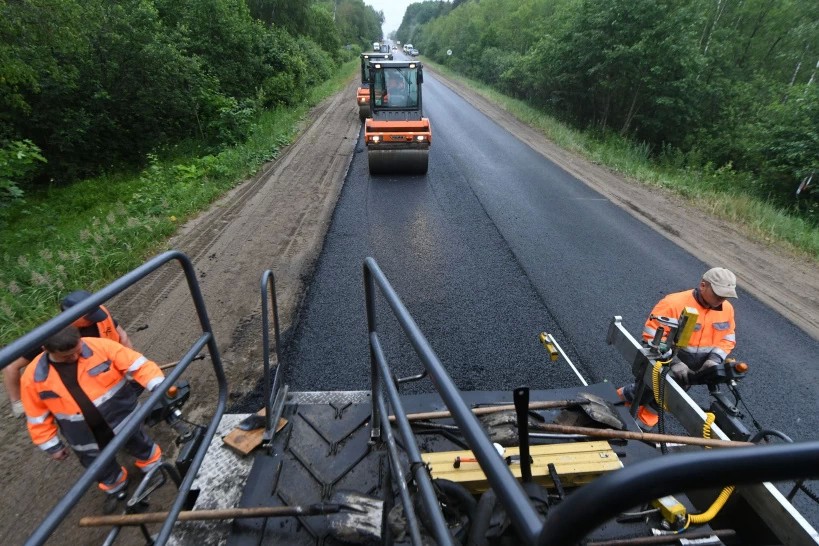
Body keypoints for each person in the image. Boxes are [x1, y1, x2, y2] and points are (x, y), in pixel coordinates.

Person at [20, 325, 165, 512]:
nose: (74, 357)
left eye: (77, 351)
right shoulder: (33, 378)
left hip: (123, 416)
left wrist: (158, 385)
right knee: (97, 463)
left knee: (139, 442)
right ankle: (116, 487)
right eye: (66, 356)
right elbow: (37, 416)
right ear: (46, 350)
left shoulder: (101, 347)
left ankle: (153, 467)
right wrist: (52, 446)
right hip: (81, 434)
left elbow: (138, 364)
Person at [618, 267, 738, 428]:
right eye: (718, 294)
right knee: (641, 393)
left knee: (663, 402)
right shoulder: (674, 303)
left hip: (690, 374)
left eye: (725, 296)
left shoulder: (727, 309)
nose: (721, 300)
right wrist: (674, 362)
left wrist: (713, 360)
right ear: (703, 285)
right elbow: (651, 336)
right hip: (661, 366)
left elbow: (728, 338)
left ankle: (641, 429)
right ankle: (612, 406)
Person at [4, 290, 133, 418]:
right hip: (71, 389)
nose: (94, 320)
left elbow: (123, 336)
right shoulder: (50, 336)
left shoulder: (98, 316)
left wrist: (130, 365)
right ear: (72, 315)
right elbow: (11, 366)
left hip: (103, 377)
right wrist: (17, 402)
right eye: (89, 317)